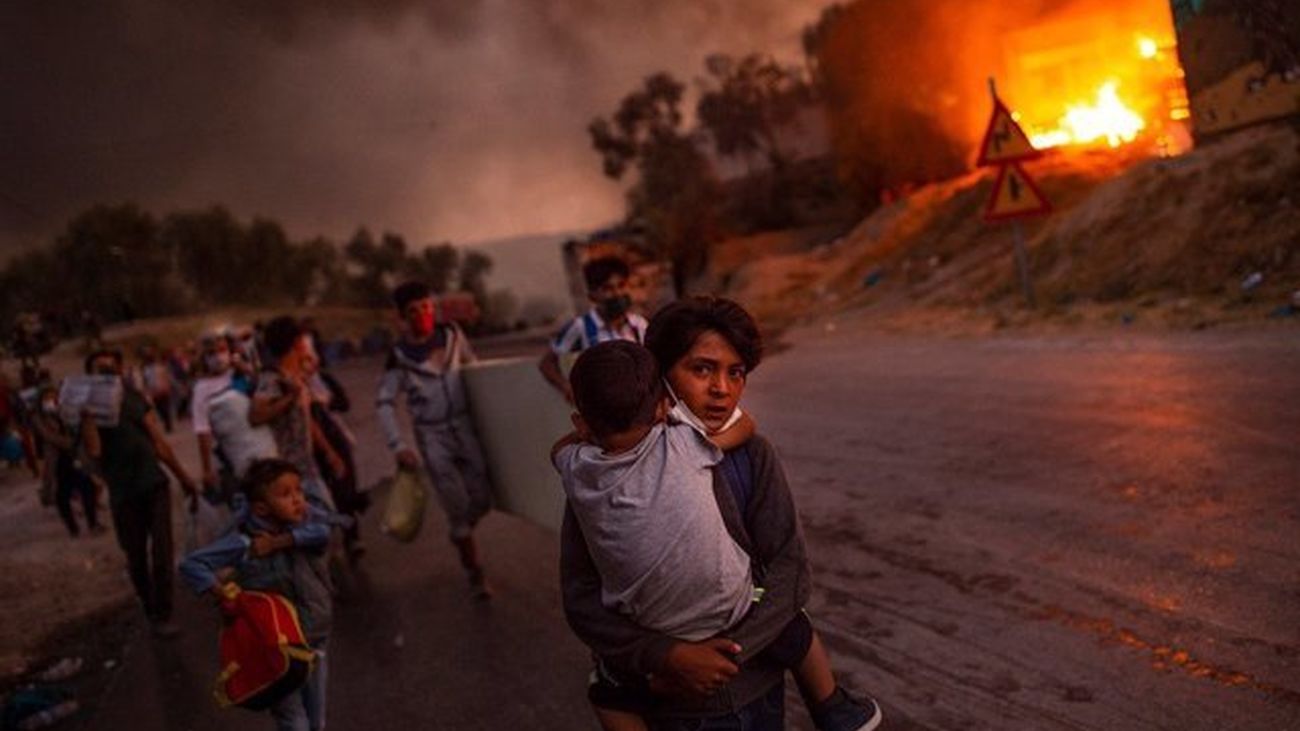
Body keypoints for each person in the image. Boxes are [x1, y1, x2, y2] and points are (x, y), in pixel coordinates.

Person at [561, 297, 882, 730]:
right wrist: (668, 657)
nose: (722, 389)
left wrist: (726, 654)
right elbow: (582, 598)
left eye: (736, 373)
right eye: (702, 369)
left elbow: (788, 571)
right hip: (670, 710)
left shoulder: (751, 458)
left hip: (758, 692)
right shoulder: (600, 484)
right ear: (659, 381)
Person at [180, 458, 333, 731]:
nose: (298, 500)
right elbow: (191, 564)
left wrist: (277, 543)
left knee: (316, 720)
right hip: (274, 648)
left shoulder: (306, 528)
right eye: (286, 494)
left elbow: (323, 531)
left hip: (314, 639)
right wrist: (221, 592)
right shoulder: (244, 543)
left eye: (299, 491)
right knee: (294, 721)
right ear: (261, 507)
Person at [376, 281, 493, 598]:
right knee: (455, 501)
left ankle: (461, 529)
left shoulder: (453, 335)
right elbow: (384, 402)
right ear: (402, 316)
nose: (422, 314)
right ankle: (475, 572)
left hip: (463, 424)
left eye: (426, 307)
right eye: (414, 311)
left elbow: (474, 369)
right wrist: (398, 446)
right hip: (431, 433)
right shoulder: (399, 356)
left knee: (483, 494)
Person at [81, 348, 199, 636]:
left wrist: (183, 477)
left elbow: (158, 441)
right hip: (123, 493)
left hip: (154, 483)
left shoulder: (134, 399)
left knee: (162, 549)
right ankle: (149, 607)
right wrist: (87, 420)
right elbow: (94, 451)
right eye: (100, 369)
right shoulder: (88, 412)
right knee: (136, 556)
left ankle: (164, 613)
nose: (107, 373)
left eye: (111, 368)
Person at [250, 317, 346, 512]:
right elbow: (256, 415)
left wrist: (328, 452)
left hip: (307, 464)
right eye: (304, 339)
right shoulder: (272, 378)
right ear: (296, 343)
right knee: (320, 522)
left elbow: (306, 419)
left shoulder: (294, 377)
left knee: (325, 518)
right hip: (288, 468)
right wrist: (289, 398)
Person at [539, 255, 649, 402]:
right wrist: (567, 388)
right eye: (608, 288)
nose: (617, 294)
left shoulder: (639, 325)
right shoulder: (581, 327)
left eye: (621, 285)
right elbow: (547, 363)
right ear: (593, 295)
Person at [30, 385, 104, 538]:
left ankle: (93, 523)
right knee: (62, 496)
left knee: (87, 488)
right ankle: (72, 528)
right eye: (47, 398)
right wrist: (69, 442)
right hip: (57, 461)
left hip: (75, 457)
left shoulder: (65, 411)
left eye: (53, 397)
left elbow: (78, 427)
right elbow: (48, 436)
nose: (51, 401)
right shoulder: (38, 418)